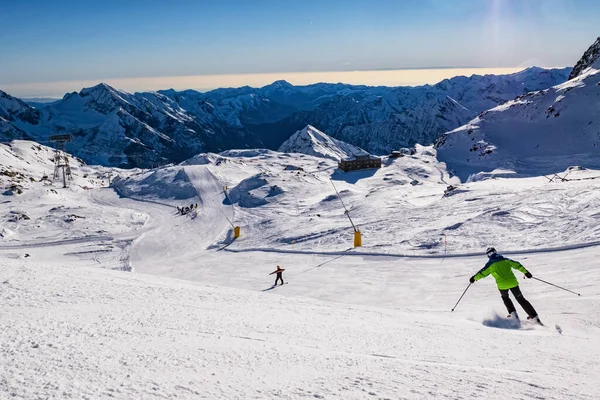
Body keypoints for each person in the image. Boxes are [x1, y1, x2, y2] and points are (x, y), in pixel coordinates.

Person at [470, 247, 541, 323]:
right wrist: (526, 272)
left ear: (488, 255)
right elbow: (517, 265)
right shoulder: (504, 259)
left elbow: (482, 273)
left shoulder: (489, 264)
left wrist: (474, 278)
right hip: (513, 283)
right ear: (495, 252)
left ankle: (513, 315)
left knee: (505, 298)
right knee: (521, 299)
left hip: (502, 285)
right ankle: (534, 317)